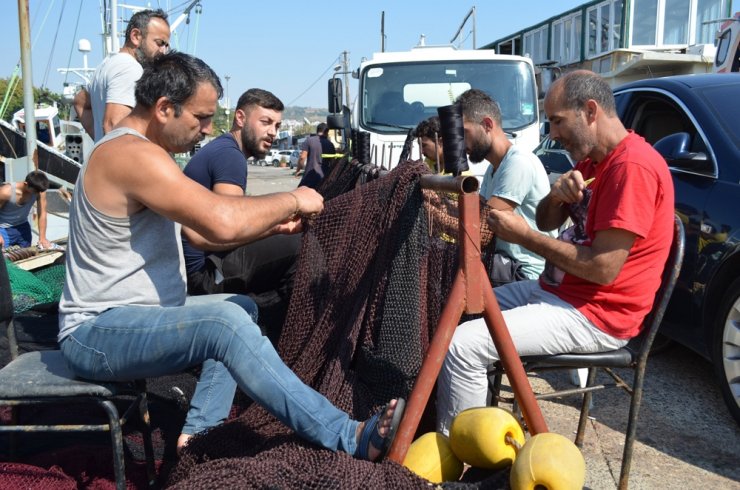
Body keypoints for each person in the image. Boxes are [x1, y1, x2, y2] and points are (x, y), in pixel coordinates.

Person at [57, 51, 403, 458]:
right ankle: (348, 435)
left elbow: (199, 234)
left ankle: (199, 433)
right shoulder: (130, 154)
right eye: (201, 118)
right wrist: (294, 198)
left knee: (238, 307)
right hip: (96, 333)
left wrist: (272, 225)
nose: (207, 129)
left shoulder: (146, 152)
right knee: (223, 323)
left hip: (132, 318)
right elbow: (220, 220)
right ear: (165, 108)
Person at [436, 70, 675, 435]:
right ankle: (483, 431)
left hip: (595, 315)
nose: (552, 133)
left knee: (463, 347)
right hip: (558, 292)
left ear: (590, 111)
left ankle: (460, 457)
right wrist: (555, 195)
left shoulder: (633, 166)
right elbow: (548, 221)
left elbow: (603, 269)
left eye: (557, 121)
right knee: (459, 312)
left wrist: (526, 237)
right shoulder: (593, 160)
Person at [182, 88, 300, 343]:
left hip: (196, 263)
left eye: (277, 125)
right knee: (300, 246)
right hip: (203, 274)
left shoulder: (222, 149)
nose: (273, 132)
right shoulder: (230, 157)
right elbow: (230, 225)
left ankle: (264, 323)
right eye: (265, 122)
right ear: (240, 118)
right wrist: (277, 226)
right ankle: (288, 341)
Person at [457, 88, 556, 283]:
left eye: (464, 132)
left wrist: (434, 212)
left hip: (525, 272)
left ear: (487, 124)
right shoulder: (493, 169)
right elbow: (478, 211)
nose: (460, 143)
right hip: (504, 265)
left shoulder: (518, 162)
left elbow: (483, 228)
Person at [73, 9, 171, 141]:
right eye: (159, 43)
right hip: (123, 160)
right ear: (135, 36)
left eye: (166, 46)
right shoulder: (129, 68)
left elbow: (80, 102)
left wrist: (99, 140)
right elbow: (113, 124)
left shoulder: (107, 64)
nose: (163, 51)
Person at [0, 171, 51, 249]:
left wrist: (42, 238)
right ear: (26, 184)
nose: (37, 193)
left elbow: (42, 213)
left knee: (27, 255)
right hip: (3, 228)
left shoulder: (39, 191)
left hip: (23, 227)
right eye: (35, 191)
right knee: (3, 259)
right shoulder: (6, 191)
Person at [296, 122, 336, 188]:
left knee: (301, 195)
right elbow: (332, 162)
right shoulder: (330, 144)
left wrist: (298, 170)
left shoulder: (309, 140)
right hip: (323, 179)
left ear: (317, 131)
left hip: (309, 178)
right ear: (327, 133)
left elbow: (302, 157)